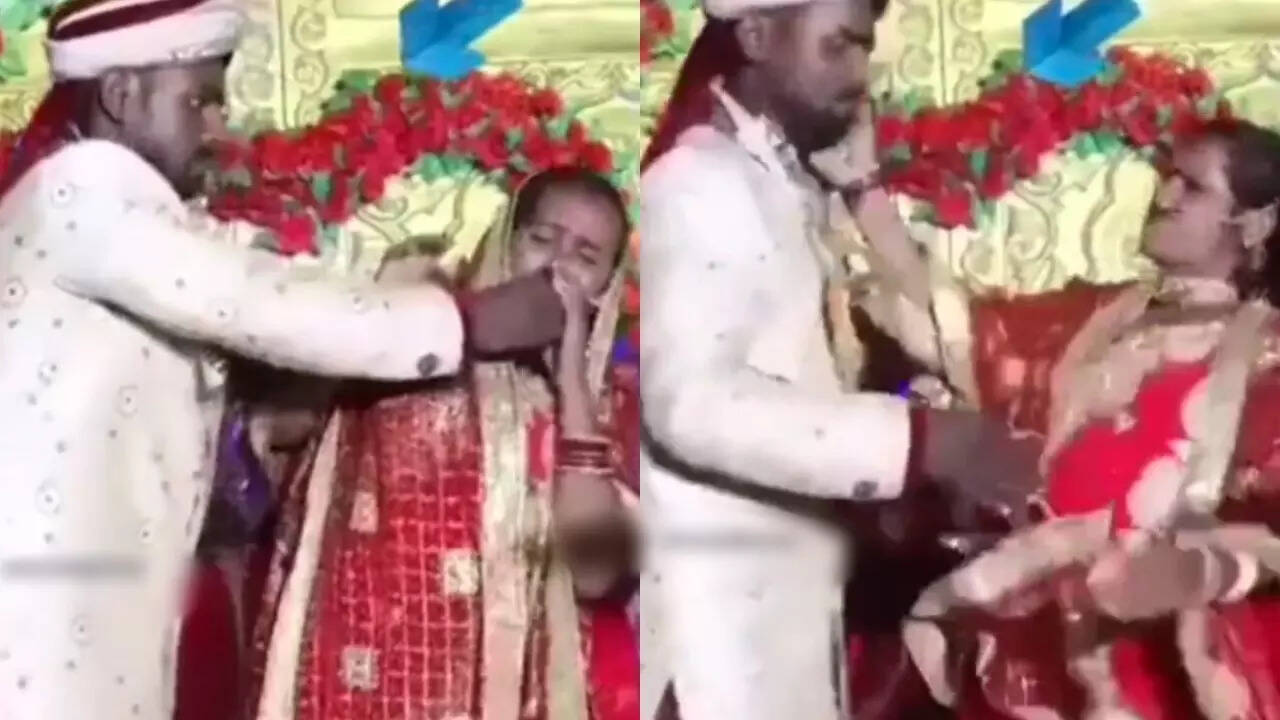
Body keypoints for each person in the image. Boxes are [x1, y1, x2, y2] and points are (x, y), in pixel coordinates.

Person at [0, 1, 566, 718]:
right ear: (120, 93)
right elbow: (257, 301)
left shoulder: (133, 216)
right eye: (199, 101)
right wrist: (467, 320)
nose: (218, 127)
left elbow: (260, 283)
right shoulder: (76, 194)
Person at [638, 0, 1044, 718]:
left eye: (864, 49)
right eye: (838, 47)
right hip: (721, 642)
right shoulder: (697, 180)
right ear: (756, 35)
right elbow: (690, 404)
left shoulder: (791, 186)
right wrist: (917, 442)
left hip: (792, 617)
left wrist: (862, 188)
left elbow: (941, 337)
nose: (860, 73)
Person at [852, 118, 1280, 718]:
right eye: (1166, 176)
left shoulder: (1265, 355)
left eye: (1192, 185)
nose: (1163, 194)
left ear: (1255, 223)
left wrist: (1194, 570)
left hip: (1156, 656)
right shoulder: (1093, 318)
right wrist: (863, 194)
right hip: (1036, 631)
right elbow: (951, 330)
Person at [245, 167, 640, 720]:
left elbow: (594, 571)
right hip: (361, 680)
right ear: (506, 240)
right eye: (542, 238)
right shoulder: (410, 340)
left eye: (586, 256)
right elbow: (277, 431)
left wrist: (572, 376)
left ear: (607, 286)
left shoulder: (606, 404)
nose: (556, 266)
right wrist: (463, 329)